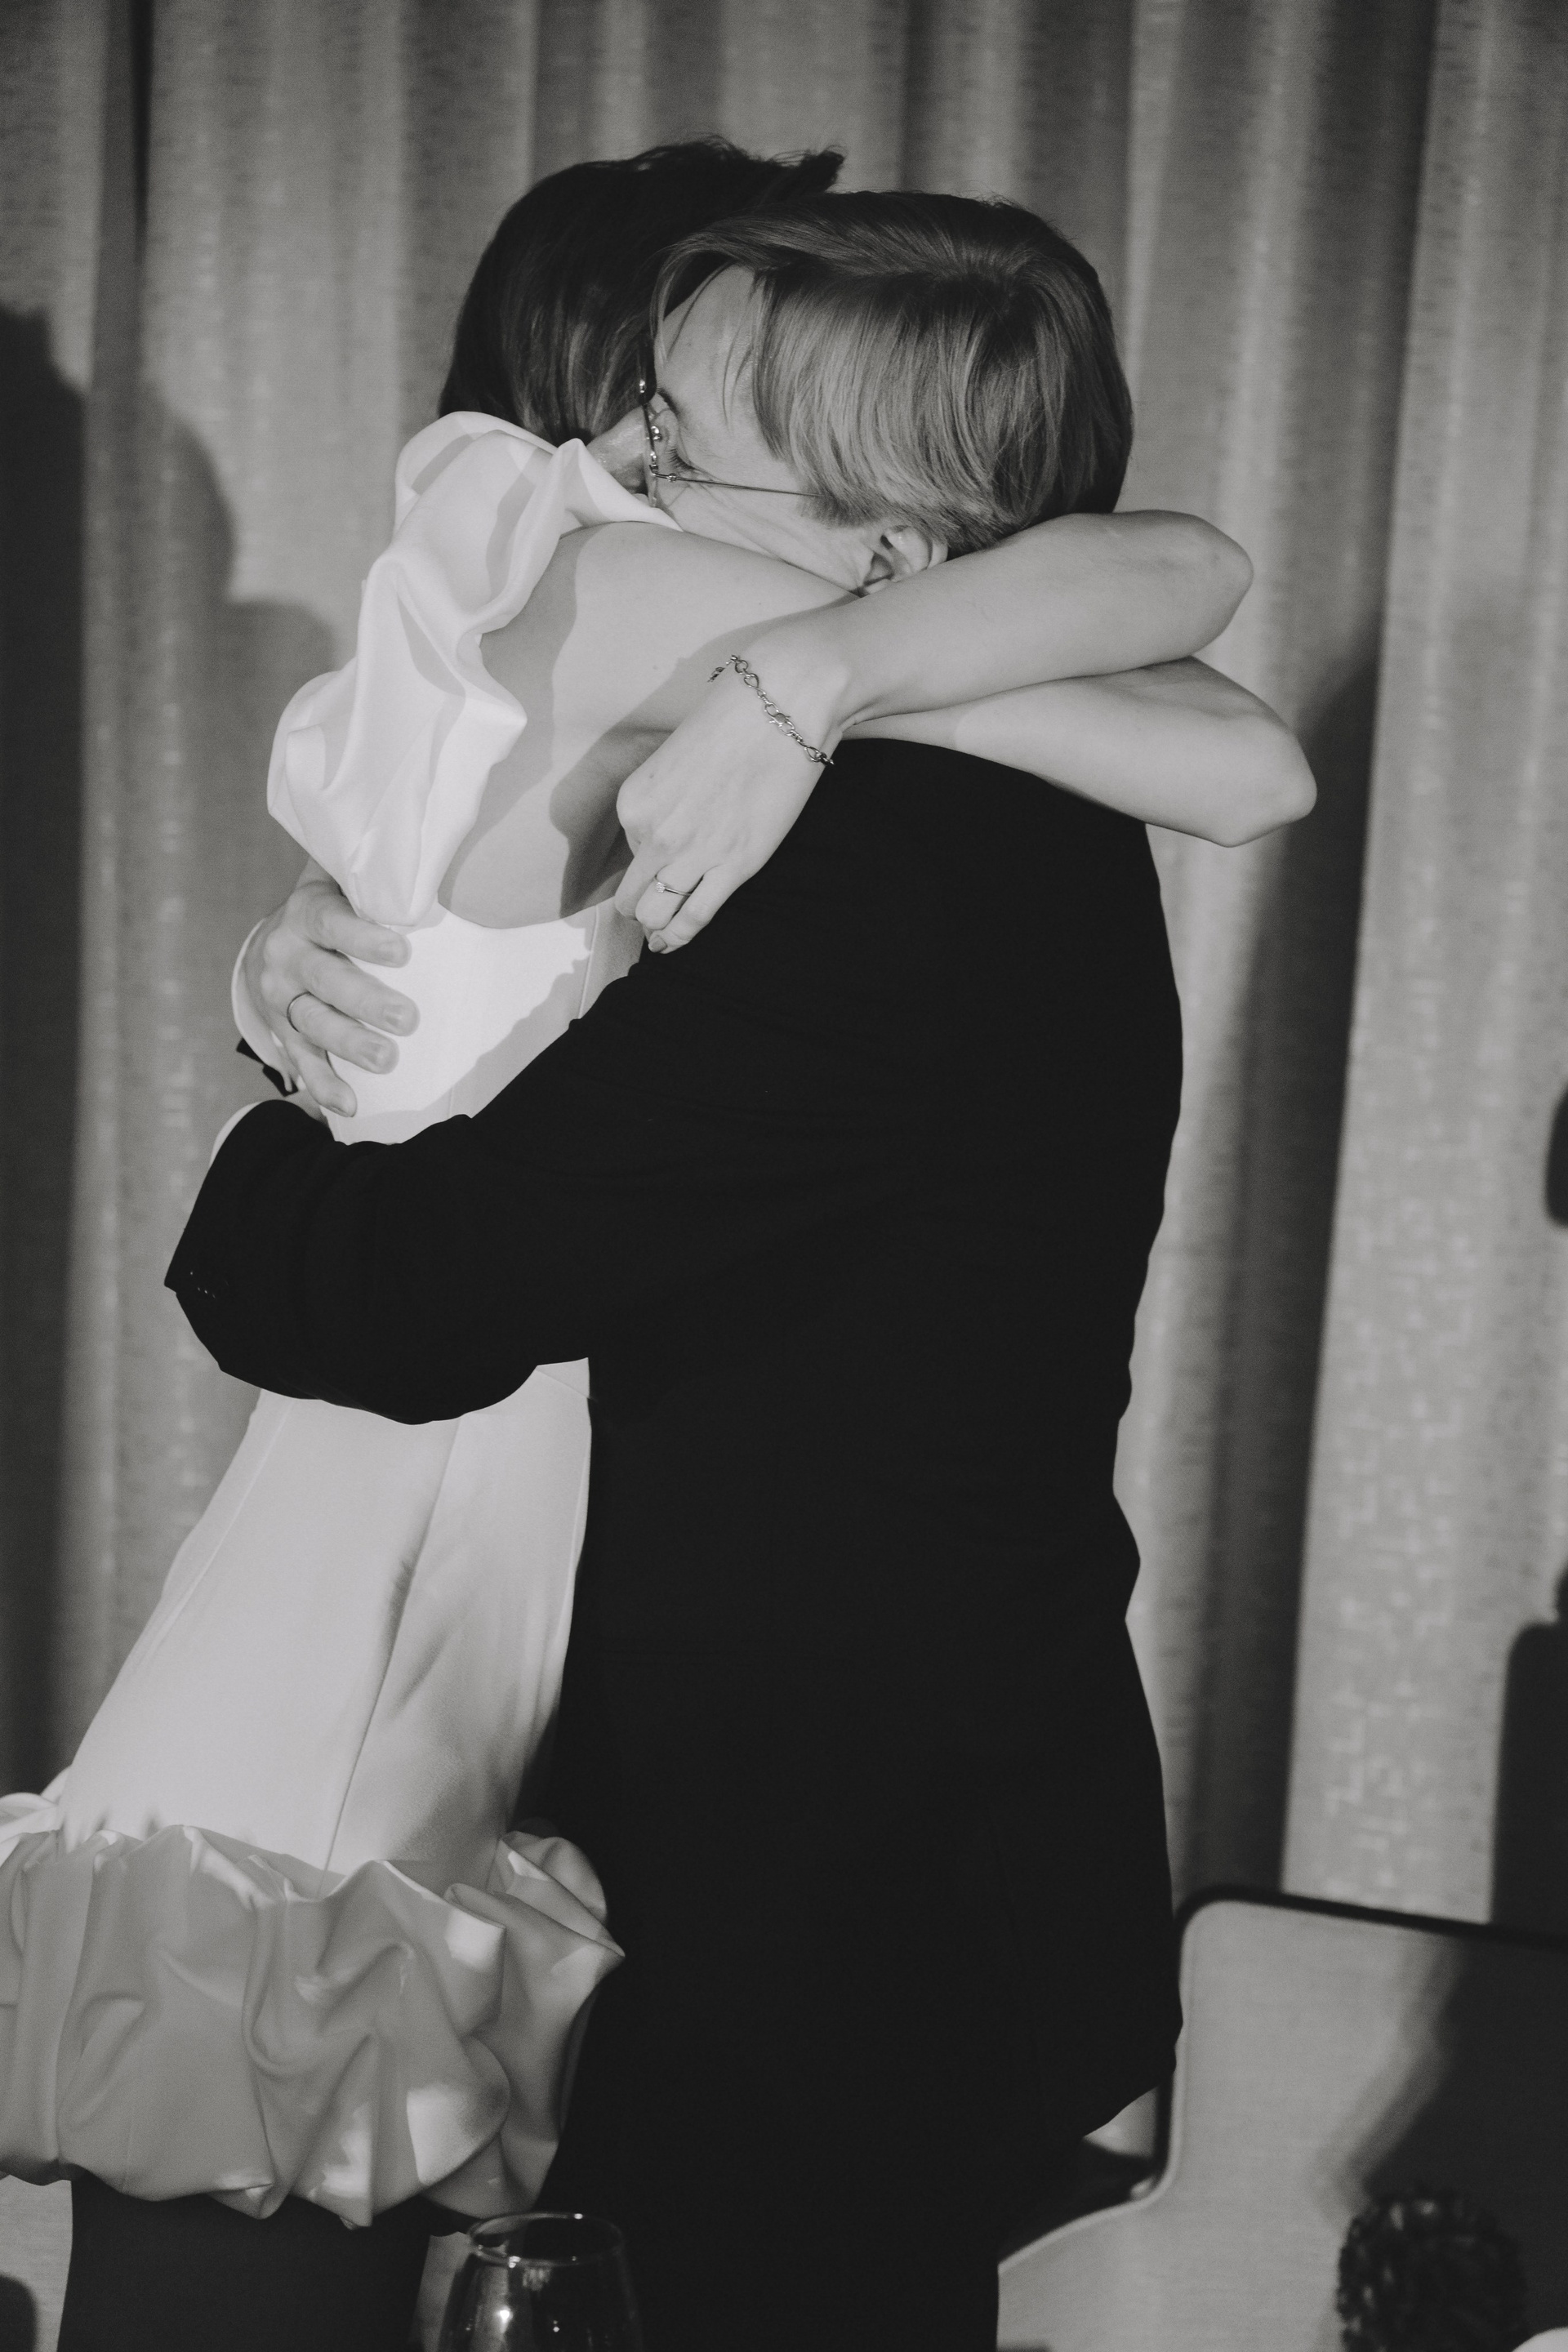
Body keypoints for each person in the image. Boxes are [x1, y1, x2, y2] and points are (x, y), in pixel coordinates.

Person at [165, 187, 1313, 2352]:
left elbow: (410, 1292)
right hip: (868, 1841)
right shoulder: (961, 790)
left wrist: (267, 1142)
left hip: (837, 1895)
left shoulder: (892, 860)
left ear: (890, 551)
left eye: (683, 459)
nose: (616, 482)